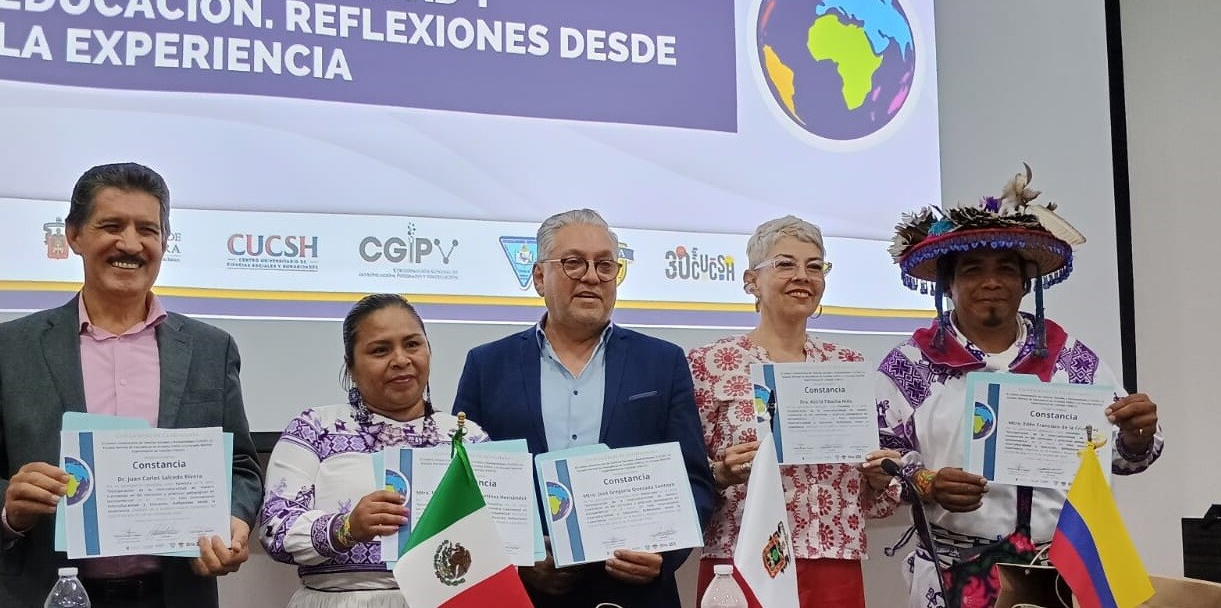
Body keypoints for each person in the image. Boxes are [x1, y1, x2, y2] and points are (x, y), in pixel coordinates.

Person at [0, 162, 263, 608]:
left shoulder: (211, 349)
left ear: (165, 242)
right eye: (111, 226)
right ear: (74, 235)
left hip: (175, 594)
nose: (130, 243)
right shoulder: (10, 348)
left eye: (147, 229)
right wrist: (8, 507)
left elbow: (241, 467)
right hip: (49, 593)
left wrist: (235, 520)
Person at [875, 166, 1163, 608]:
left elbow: (1122, 457)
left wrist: (1136, 433)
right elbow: (878, 464)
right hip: (951, 573)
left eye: (1005, 270)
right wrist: (927, 482)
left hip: (1058, 572)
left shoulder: (1071, 361)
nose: (991, 282)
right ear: (948, 285)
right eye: (972, 270)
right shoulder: (910, 365)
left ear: (1026, 284)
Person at [454, 208, 716, 608]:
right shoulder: (487, 365)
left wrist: (664, 556)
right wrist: (516, 561)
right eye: (574, 262)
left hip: (634, 595)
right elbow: (463, 485)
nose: (592, 276)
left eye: (605, 265)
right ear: (539, 277)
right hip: (523, 594)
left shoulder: (663, 362)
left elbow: (694, 479)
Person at [688, 215, 903, 608]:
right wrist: (720, 472)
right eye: (785, 264)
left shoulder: (846, 365)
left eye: (814, 266)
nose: (802, 276)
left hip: (833, 560)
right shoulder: (710, 364)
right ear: (751, 281)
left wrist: (877, 477)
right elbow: (684, 472)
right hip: (741, 557)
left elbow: (871, 496)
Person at [258, 294, 487, 607]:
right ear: (350, 366)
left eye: (412, 344)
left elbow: (501, 535)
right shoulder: (314, 429)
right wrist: (347, 527)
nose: (401, 360)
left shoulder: (468, 438)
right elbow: (275, 529)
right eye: (380, 350)